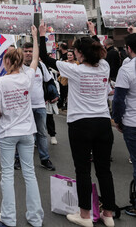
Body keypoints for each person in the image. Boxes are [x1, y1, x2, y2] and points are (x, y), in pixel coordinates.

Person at [39, 21, 115, 227]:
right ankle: (108, 214)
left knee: (83, 170)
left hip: (80, 124)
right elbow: (103, 53)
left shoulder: (74, 70)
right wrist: (93, 34)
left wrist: (42, 36)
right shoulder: (105, 67)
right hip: (103, 123)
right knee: (104, 170)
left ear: (80, 54)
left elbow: (45, 58)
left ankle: (84, 215)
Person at [0, 26, 43, 227]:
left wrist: (3, 112)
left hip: (7, 132)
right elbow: (36, 59)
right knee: (29, 173)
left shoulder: (1, 82)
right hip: (27, 131)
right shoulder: (28, 77)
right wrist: (36, 37)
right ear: (21, 61)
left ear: (6, 61)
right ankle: (35, 218)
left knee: (8, 175)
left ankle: (10, 217)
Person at [113, 27, 136, 220]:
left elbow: (118, 100)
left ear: (128, 49)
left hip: (135, 124)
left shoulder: (127, 69)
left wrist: (118, 120)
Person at [22, 42, 56, 171]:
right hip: (25, 107)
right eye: (26, 51)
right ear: (22, 52)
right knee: (25, 134)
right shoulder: (18, 67)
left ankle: (45, 159)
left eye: (31, 51)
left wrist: (53, 95)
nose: (28, 53)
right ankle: (21, 159)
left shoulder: (41, 66)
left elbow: (49, 81)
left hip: (40, 105)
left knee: (42, 133)